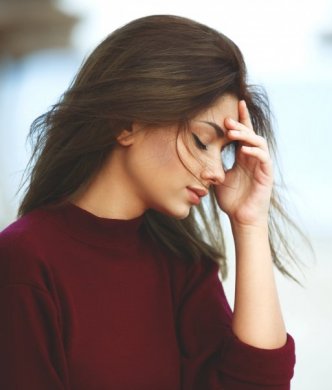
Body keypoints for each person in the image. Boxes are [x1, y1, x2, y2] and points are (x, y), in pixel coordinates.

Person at [0, 14, 305, 389]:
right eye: (200, 141)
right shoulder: (25, 260)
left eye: (223, 152)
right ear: (126, 123)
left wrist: (250, 223)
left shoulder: (183, 262)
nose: (216, 173)